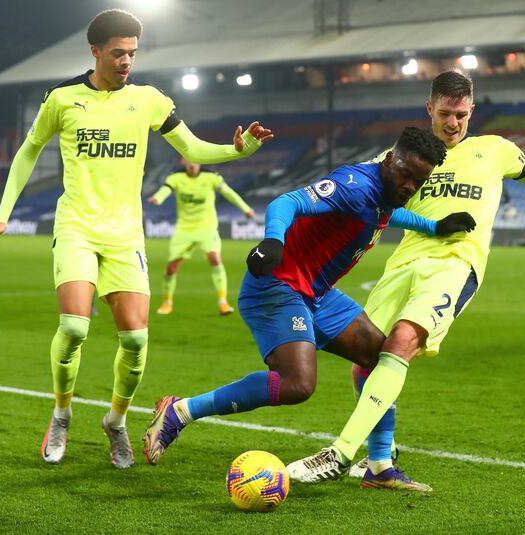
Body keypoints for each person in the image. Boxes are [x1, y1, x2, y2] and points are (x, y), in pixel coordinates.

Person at [287, 70, 525, 492]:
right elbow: (353, 188)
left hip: (456, 263)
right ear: (430, 109)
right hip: (405, 261)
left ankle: (339, 453)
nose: (453, 123)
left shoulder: (494, 150)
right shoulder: (407, 156)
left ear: (471, 111)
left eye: (461, 114)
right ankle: (380, 464)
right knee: (365, 362)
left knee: (403, 341)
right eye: (445, 113)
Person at [0, 9, 273, 468]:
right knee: (74, 327)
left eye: (132, 52)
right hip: (76, 225)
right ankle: (61, 413)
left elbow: (192, 148)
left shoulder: (150, 100)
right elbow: (29, 149)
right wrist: (2, 215)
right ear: (95, 51)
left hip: (125, 235)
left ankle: (115, 422)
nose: (126, 61)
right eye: (118, 53)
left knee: (135, 341)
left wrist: (240, 149)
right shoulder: (62, 98)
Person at [142, 127, 478, 466]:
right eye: (406, 175)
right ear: (390, 159)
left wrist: (435, 227)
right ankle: (180, 411)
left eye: (418, 182)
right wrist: (274, 240)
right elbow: (287, 202)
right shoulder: (355, 185)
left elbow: (388, 215)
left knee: (382, 360)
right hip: (278, 286)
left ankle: (379, 466)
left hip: (316, 294)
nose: (409, 187)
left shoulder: (385, 194)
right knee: (297, 384)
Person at [148, 158, 255, 316]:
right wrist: (158, 197)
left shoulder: (212, 176)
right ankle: (167, 303)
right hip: (184, 228)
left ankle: (223, 302)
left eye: (194, 160)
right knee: (171, 268)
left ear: (199, 160)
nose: (191, 164)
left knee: (215, 258)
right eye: (187, 160)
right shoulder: (175, 177)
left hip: (207, 227)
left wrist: (246, 209)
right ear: (182, 162)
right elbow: (166, 189)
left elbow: (229, 193)